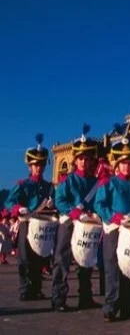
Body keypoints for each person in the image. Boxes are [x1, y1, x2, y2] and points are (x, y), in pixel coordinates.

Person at [94, 127, 130, 322]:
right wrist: (113, 217)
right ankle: (111, 306)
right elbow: (99, 204)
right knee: (112, 268)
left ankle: (128, 305)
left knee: (129, 268)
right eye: (123, 164)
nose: (127, 167)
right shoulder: (108, 183)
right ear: (117, 164)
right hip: (114, 230)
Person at [52, 125, 101, 312]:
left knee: (86, 261)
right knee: (62, 260)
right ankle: (59, 298)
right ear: (76, 160)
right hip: (69, 224)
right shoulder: (67, 180)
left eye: (86, 159)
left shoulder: (94, 183)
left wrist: (94, 213)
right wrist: (75, 213)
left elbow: (97, 202)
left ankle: (85, 297)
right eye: (80, 158)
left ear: (90, 161)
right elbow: (60, 200)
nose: (83, 162)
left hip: (87, 225)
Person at [4, 134, 54, 300]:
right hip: (26, 223)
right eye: (35, 165)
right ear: (30, 167)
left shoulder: (48, 186)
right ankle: (25, 289)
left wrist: (52, 205)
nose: (39, 168)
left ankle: (37, 289)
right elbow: (9, 202)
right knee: (25, 258)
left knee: (39, 258)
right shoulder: (22, 184)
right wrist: (19, 208)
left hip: (42, 225)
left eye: (41, 165)